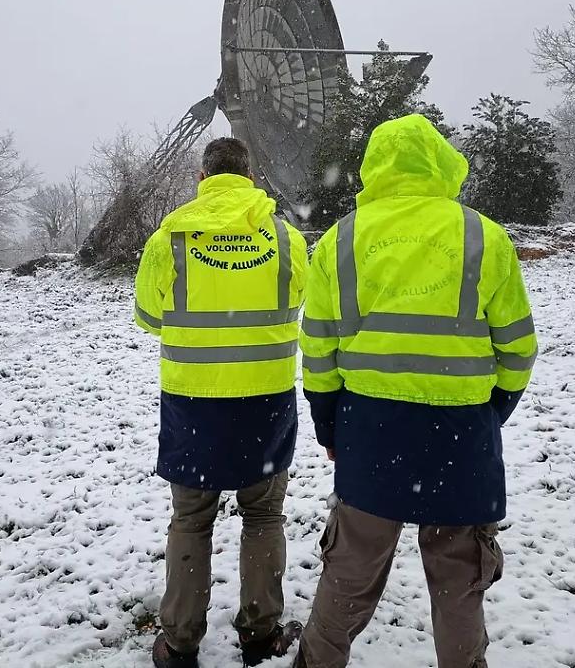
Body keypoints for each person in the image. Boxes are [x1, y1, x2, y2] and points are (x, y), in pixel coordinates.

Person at [293, 114, 538, 668]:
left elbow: (319, 349)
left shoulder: (340, 240)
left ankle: (317, 661)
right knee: (458, 576)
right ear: (440, 162)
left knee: (350, 568)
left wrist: (330, 424)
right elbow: (519, 347)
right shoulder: (483, 235)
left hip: (371, 431)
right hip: (460, 433)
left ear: (374, 167)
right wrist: (491, 410)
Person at [133, 137, 309, 668]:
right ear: (249, 174)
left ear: (202, 175)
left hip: (195, 404)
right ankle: (260, 632)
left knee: (191, 521)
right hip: (265, 402)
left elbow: (147, 315)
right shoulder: (284, 237)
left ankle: (180, 640)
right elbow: (301, 299)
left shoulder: (172, 238)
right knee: (263, 517)